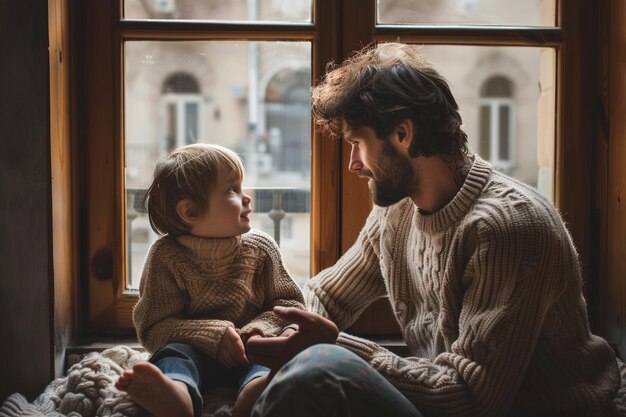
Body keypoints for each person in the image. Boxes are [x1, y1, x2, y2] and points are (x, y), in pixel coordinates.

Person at [245, 43, 621, 417]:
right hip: (448, 397)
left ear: (403, 134)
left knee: (320, 375)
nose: (352, 165)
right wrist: (278, 335)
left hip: (529, 409)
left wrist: (333, 347)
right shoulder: (397, 213)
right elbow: (327, 295)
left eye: (358, 143)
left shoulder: (509, 228)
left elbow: (472, 398)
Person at [114, 143, 305, 417]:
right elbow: (154, 328)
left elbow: (290, 303)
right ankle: (177, 395)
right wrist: (211, 335)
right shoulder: (166, 256)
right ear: (189, 212)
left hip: (251, 351)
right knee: (174, 356)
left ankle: (256, 390)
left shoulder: (261, 248)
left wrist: (257, 331)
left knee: (267, 360)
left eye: (242, 186)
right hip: (195, 352)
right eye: (232, 190)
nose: (247, 197)